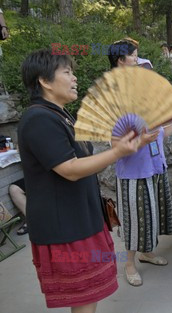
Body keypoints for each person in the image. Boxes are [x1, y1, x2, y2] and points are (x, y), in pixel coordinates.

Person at [18, 48, 140, 312]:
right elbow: (70, 168)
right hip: (65, 227)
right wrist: (117, 152)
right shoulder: (39, 119)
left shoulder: (59, 114)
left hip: (80, 219)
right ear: (45, 80)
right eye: (67, 72)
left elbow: (81, 156)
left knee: (88, 296)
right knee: (84, 296)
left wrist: (116, 144)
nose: (74, 78)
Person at [107, 39, 172, 287]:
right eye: (134, 57)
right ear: (122, 61)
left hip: (155, 166)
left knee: (151, 215)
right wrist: (142, 140)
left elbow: (158, 132)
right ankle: (129, 263)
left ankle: (146, 253)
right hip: (134, 172)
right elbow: (116, 145)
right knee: (134, 219)